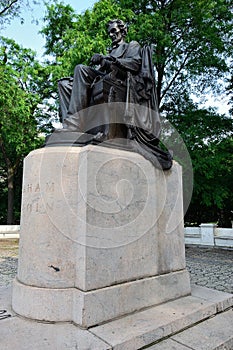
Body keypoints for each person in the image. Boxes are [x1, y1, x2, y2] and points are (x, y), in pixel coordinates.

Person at [57, 19, 172, 170]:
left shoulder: (132, 46)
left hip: (122, 86)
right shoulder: (111, 51)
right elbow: (102, 71)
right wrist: (103, 61)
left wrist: (108, 60)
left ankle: (75, 126)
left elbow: (135, 64)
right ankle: (73, 126)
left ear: (123, 31)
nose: (111, 35)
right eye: (109, 32)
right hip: (105, 78)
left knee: (81, 69)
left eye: (114, 31)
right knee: (64, 84)